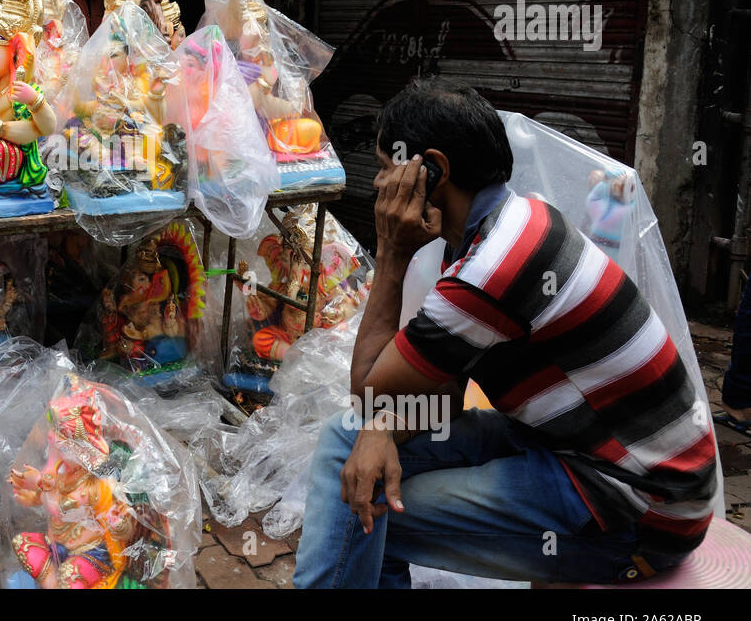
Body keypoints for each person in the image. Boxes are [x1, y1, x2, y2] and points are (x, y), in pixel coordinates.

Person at [293, 78, 718, 588]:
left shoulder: (493, 267)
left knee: (369, 507)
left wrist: (391, 254)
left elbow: (369, 388)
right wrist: (376, 427)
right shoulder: (508, 223)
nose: (379, 187)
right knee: (349, 439)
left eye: (387, 169)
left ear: (432, 170)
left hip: (637, 505)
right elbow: (435, 395)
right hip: (565, 449)